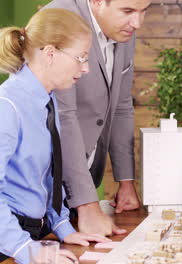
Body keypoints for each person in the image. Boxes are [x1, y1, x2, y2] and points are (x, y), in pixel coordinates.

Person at [0, 8, 111, 264]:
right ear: (50, 54)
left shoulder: (47, 101)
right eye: (81, 58)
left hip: (34, 235)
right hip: (10, 242)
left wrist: (63, 226)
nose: (86, 69)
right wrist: (28, 251)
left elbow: (48, 178)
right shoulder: (8, 107)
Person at [43, 0, 151, 236]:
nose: (138, 23)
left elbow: (121, 105)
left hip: (85, 182)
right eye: (128, 11)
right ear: (97, 2)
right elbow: (64, 115)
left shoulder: (123, 31)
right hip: (45, 186)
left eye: (144, 11)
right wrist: (88, 204)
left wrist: (126, 181)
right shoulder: (61, 18)